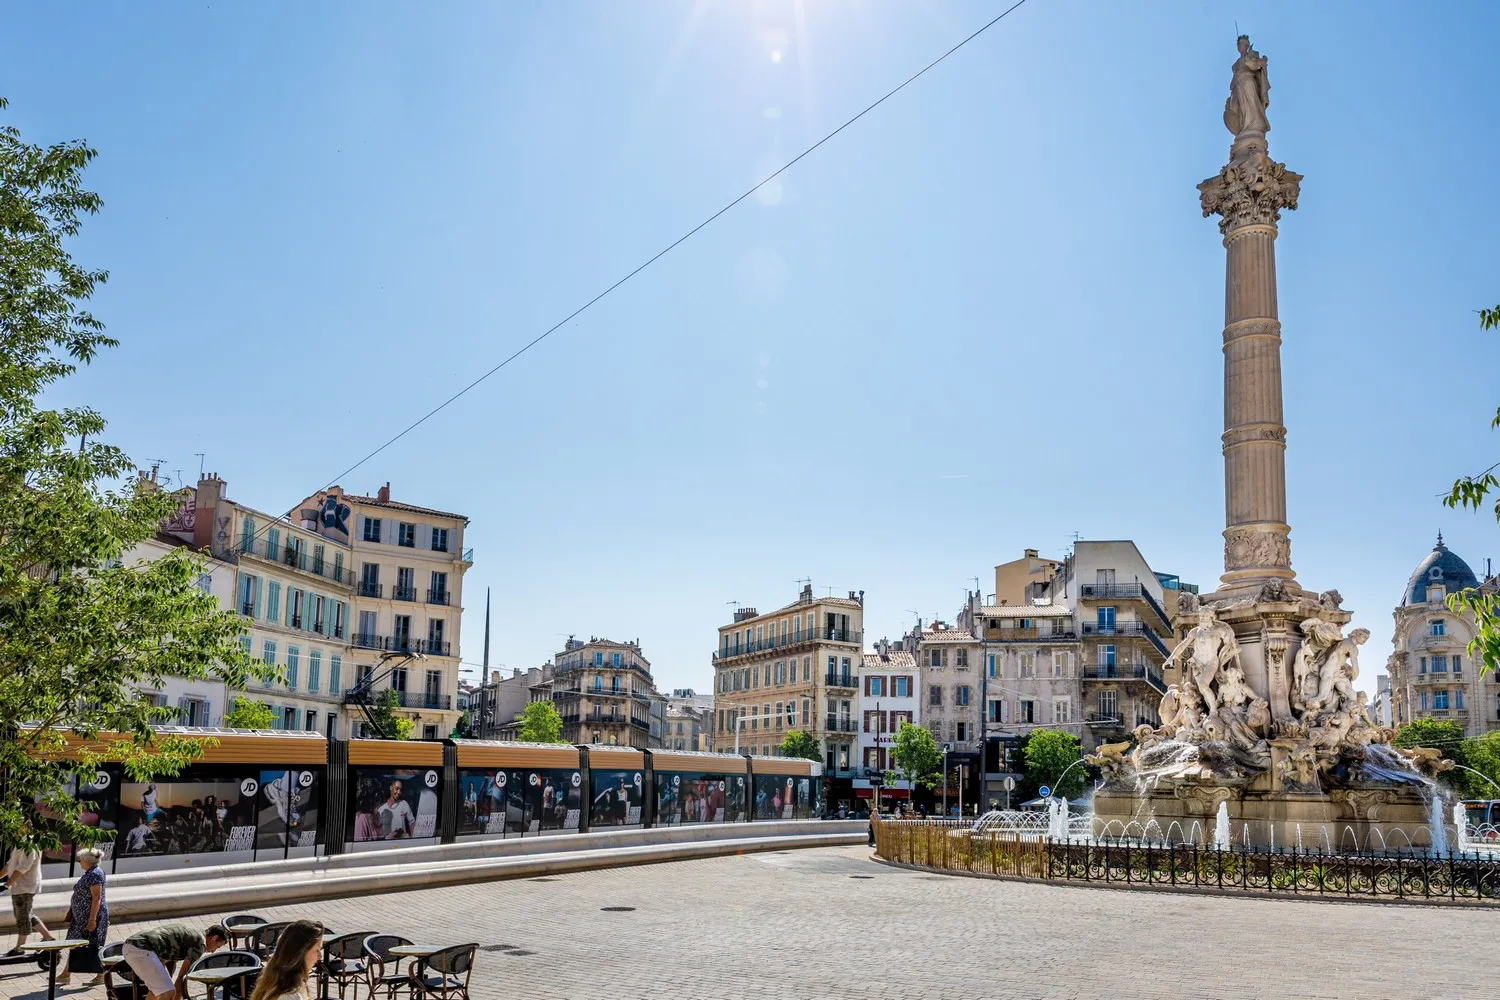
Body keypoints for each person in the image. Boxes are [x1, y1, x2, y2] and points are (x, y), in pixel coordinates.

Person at [122, 923, 227, 1000]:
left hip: (131, 946)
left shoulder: (193, 934)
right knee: (168, 992)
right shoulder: (200, 943)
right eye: (217, 947)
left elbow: (164, 952)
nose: (213, 951)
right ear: (214, 938)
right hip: (142, 948)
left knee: (158, 990)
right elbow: (182, 978)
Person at [56, 847, 108, 986]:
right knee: (74, 943)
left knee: (94, 945)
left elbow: (97, 897)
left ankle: (101, 975)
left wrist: (92, 920)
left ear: (86, 861)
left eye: (80, 860)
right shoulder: (91, 872)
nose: (79, 862)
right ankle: (66, 974)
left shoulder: (94, 874)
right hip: (81, 918)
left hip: (88, 918)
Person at [248, 920, 323, 1000]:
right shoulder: (290, 996)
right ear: (300, 953)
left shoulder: (274, 981)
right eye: (317, 950)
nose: (320, 956)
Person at [0, 845, 46, 956]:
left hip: (25, 886)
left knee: (23, 917)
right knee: (25, 914)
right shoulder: (19, 843)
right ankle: (48, 937)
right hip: (20, 886)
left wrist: (7, 884)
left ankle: (20, 948)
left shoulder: (29, 844)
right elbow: (11, 864)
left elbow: (23, 867)